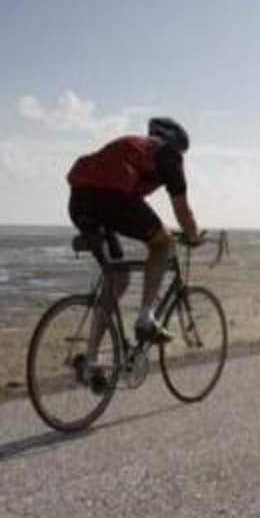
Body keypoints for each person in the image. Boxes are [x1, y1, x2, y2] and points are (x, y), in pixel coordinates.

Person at [66, 116, 203, 346]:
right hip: (109, 200)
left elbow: (131, 208)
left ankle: (92, 360)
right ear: (176, 144)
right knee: (163, 243)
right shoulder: (168, 155)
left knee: (117, 278)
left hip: (78, 200)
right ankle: (145, 319)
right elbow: (182, 211)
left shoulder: (137, 148)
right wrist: (193, 234)